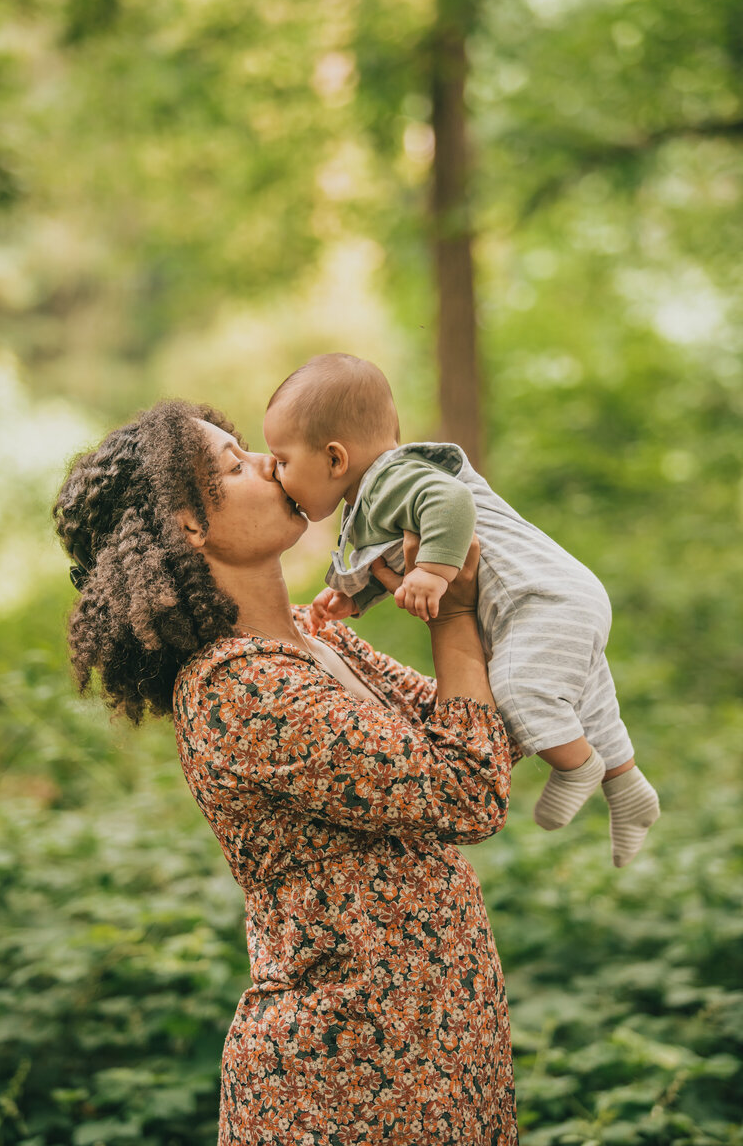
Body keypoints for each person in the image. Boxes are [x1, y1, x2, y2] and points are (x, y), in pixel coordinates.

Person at [53, 398, 519, 1145]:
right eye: (235, 465)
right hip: (348, 1079)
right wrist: (454, 616)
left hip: (443, 1048)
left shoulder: (311, 634)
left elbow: (484, 733)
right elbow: (466, 790)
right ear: (189, 527)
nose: (269, 462)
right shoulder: (240, 688)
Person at [263, 353, 661, 868]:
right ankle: (628, 787)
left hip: (536, 599)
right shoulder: (374, 497)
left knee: (520, 692)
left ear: (336, 459)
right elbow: (395, 554)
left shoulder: (389, 480)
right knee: (589, 697)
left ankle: (577, 766)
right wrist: (352, 598)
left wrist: (432, 572)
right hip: (556, 597)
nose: (276, 472)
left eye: (282, 459)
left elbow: (449, 503)